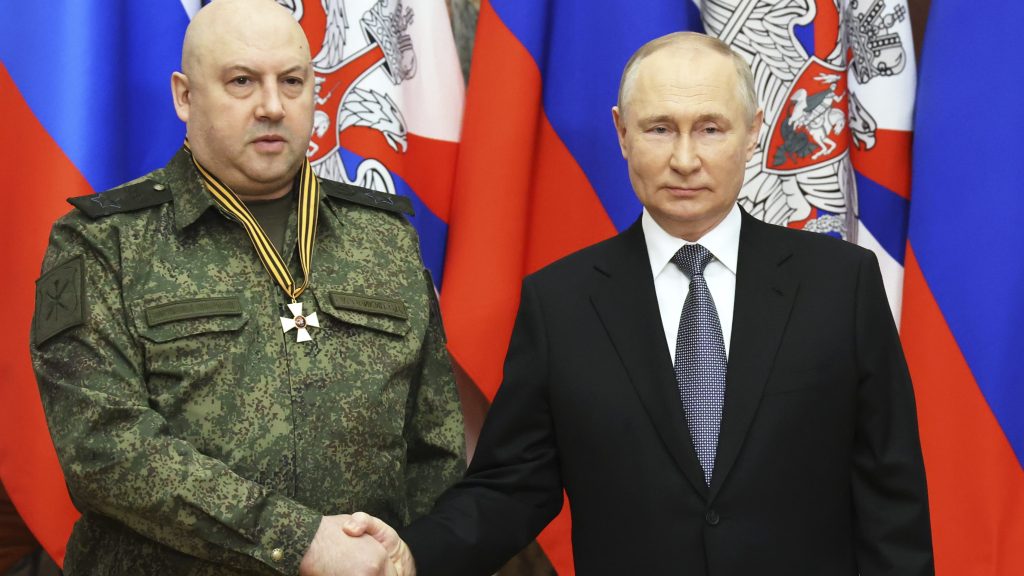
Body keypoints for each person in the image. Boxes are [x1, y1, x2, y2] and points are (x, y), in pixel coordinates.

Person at [349, 31, 934, 575]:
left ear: (754, 131)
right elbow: (513, 487)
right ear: (622, 133)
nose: (684, 159)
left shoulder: (841, 284)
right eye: (659, 129)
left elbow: (891, 498)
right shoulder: (561, 303)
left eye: (710, 128)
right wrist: (410, 556)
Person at [28, 1, 464, 574]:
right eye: (241, 81)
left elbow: (436, 446)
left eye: (292, 81)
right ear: (184, 95)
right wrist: (301, 541)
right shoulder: (102, 242)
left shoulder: (384, 238)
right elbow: (103, 450)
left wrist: (409, 556)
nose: (271, 106)